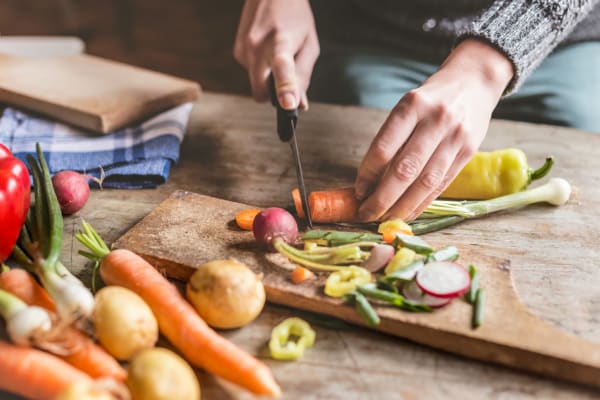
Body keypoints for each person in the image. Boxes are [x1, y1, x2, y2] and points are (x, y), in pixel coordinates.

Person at [233, 0, 600, 222]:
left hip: (554, 39)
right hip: (374, 34)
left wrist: (484, 67)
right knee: (375, 164)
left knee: (584, 141)